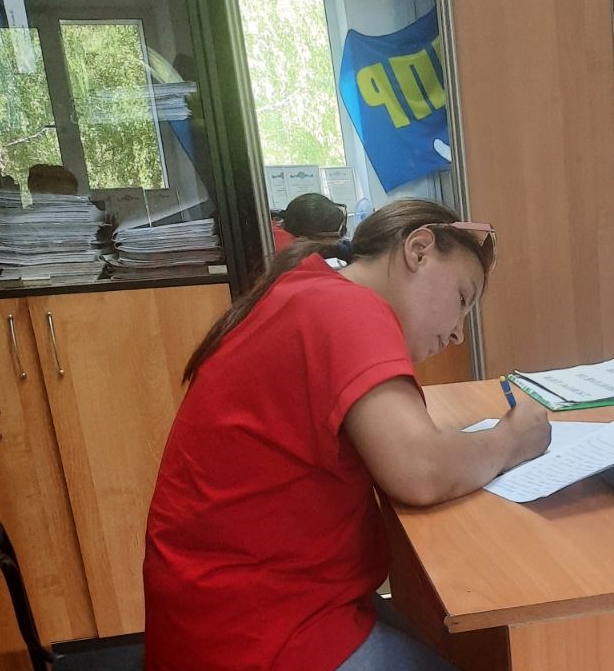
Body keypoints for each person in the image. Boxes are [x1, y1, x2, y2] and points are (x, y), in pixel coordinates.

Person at [143, 199, 551, 671]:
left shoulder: (311, 289)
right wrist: (511, 439)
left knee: (452, 639)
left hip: (226, 608)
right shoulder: (348, 308)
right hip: (257, 633)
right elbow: (421, 470)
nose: (459, 333)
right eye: (462, 299)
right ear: (418, 250)